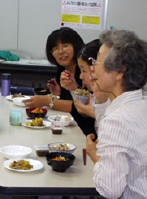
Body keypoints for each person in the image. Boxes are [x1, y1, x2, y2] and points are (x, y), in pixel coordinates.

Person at [86, 29, 147, 198]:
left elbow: (110, 189)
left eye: (97, 60)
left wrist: (97, 158)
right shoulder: (141, 104)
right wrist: (99, 97)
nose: (92, 68)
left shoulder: (117, 120)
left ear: (120, 72)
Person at [23, 27, 96, 136]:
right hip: (68, 126)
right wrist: (58, 94)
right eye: (55, 48)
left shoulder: (86, 71)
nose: (61, 51)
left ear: (76, 46)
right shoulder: (62, 69)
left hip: (86, 130)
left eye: (65, 46)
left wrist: (47, 101)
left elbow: (80, 106)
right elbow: (68, 101)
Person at [60, 39, 101, 120]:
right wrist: (73, 89)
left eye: (84, 71)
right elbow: (84, 111)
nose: (81, 76)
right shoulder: (96, 96)